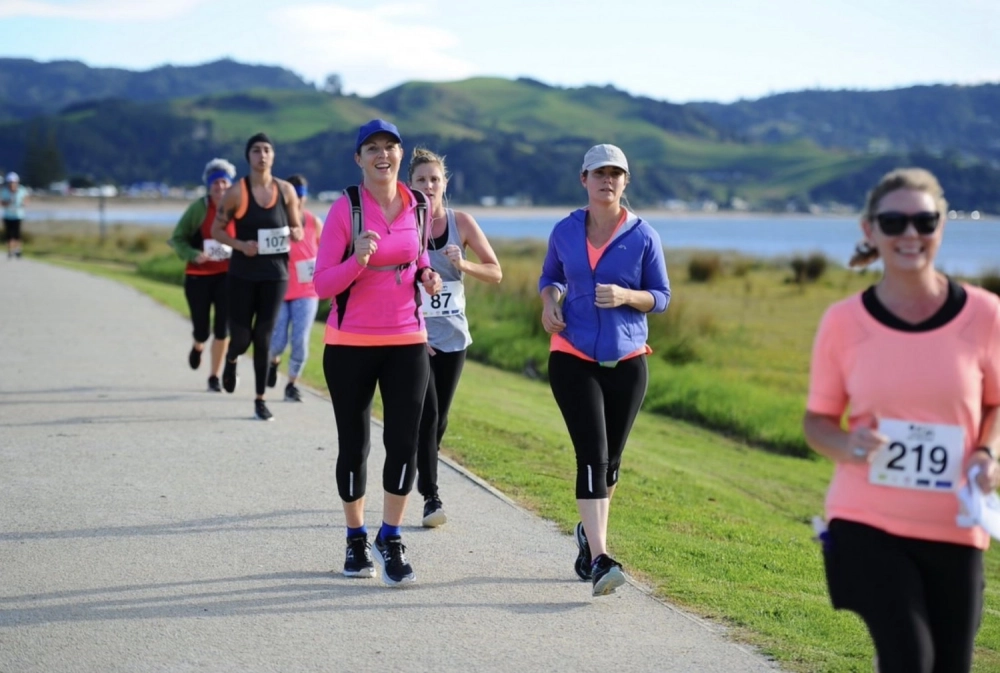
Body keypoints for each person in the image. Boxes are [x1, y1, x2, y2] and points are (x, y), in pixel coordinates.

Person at [803, 167, 1000, 673]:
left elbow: (996, 404)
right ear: (870, 231)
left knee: (949, 665)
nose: (910, 234)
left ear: (942, 226)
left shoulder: (985, 315)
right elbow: (818, 422)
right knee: (909, 658)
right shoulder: (844, 322)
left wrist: (987, 451)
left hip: (955, 526)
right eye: (894, 222)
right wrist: (848, 446)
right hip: (866, 519)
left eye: (924, 221)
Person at [313, 119, 442, 586]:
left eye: (390, 147)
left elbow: (418, 255)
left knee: (404, 441)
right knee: (356, 444)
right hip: (350, 344)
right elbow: (323, 283)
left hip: (407, 338)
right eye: (372, 148)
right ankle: (354, 539)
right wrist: (358, 260)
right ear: (359, 158)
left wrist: (427, 275)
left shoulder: (418, 205)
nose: (382, 155)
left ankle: (391, 536)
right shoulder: (346, 209)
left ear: (401, 155)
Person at [538, 144, 670, 597]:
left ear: (625, 182)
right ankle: (600, 559)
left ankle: (587, 537)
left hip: (628, 362)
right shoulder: (565, 230)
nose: (607, 181)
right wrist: (549, 302)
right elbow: (550, 277)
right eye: (599, 173)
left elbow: (662, 296)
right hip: (572, 355)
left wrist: (627, 296)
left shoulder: (644, 236)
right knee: (591, 456)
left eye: (616, 174)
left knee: (610, 465)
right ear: (584, 180)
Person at [408, 148, 502, 527]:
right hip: (414, 337)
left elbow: (495, 272)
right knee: (426, 415)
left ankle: (420, 464)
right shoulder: (404, 224)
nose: (428, 186)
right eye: (420, 180)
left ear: (444, 184)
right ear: (409, 184)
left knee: (439, 419)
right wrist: (414, 327)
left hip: (454, 338)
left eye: (434, 179)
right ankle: (431, 496)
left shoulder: (461, 222)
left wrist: (462, 263)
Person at [210, 133, 303, 421]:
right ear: (248, 157)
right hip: (242, 274)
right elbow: (217, 230)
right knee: (241, 338)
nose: (262, 155)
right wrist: (240, 245)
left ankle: (260, 400)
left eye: (266, 150)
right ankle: (232, 358)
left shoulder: (286, 190)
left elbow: (296, 226)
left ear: (273, 156)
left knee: (263, 336)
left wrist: (296, 233)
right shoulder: (237, 192)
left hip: (275, 274)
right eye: (256, 151)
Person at [168, 158, 237, 392]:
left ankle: (214, 376)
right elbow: (177, 238)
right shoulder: (198, 209)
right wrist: (193, 254)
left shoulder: (237, 207)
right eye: (216, 183)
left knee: (222, 329)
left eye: (225, 183)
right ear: (209, 185)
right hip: (198, 275)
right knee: (202, 329)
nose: (221, 188)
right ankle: (198, 344)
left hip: (227, 276)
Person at [267, 173, 323, 402]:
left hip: (308, 292)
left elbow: (326, 253)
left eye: (301, 196)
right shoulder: (275, 223)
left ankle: (291, 384)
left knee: (299, 339)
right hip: (280, 290)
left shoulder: (313, 222)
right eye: (294, 196)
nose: (298, 200)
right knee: (279, 341)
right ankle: (273, 362)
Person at [1, 172, 28, 259]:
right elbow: (2, 202)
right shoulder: (5, 191)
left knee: (17, 234)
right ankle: (10, 251)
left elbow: (26, 200)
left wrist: (23, 203)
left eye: (14, 182)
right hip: (8, 216)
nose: (12, 184)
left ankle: (18, 250)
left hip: (18, 215)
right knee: (9, 234)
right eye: (11, 182)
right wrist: (7, 202)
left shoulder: (22, 190)